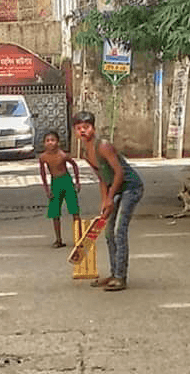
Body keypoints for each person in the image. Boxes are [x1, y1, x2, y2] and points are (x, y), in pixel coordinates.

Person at [72, 110, 144, 291]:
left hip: (131, 188)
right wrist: (104, 200)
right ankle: (114, 273)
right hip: (115, 190)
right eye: (79, 128)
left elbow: (119, 172)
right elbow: (102, 177)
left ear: (93, 128)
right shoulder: (85, 153)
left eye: (86, 127)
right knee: (108, 232)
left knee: (119, 230)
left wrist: (111, 197)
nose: (83, 131)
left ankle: (121, 277)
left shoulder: (103, 146)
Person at [38, 130, 81, 248]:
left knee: (74, 210)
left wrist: (77, 182)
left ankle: (79, 238)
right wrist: (47, 189)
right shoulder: (43, 157)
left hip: (66, 181)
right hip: (55, 183)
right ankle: (58, 239)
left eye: (53, 140)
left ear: (58, 142)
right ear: (44, 143)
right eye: (47, 141)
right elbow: (42, 173)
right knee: (54, 212)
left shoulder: (62, 155)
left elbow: (74, 165)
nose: (50, 143)